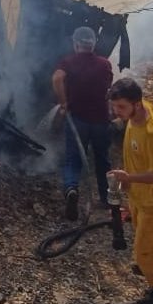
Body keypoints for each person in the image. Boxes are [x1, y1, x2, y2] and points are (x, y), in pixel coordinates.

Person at [106, 77, 153, 304]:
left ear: (136, 105)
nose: (116, 112)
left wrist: (129, 178)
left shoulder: (152, 133)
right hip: (138, 195)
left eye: (121, 107)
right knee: (147, 234)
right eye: (114, 106)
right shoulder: (144, 107)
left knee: (142, 251)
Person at [52, 26, 114, 220]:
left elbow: (57, 78)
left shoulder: (68, 62)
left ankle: (71, 189)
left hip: (77, 118)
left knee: (73, 159)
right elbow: (108, 90)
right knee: (102, 159)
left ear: (75, 43)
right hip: (101, 120)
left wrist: (63, 103)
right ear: (93, 43)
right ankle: (106, 198)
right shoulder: (104, 64)